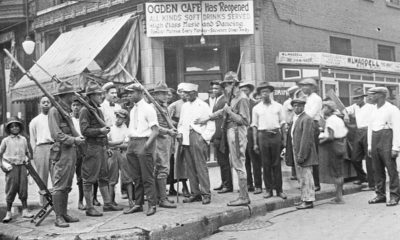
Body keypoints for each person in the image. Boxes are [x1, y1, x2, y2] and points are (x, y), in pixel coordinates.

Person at [198, 72, 251, 206]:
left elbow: (245, 120)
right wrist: (207, 118)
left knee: (239, 164)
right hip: (230, 131)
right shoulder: (232, 98)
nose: (224, 88)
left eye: (226, 85)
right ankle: (243, 195)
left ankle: (244, 196)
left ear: (233, 84)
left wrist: (230, 112)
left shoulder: (242, 98)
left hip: (237, 132)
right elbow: (222, 111)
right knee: (236, 163)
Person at [80, 81, 123, 217]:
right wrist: (100, 130)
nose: (100, 96)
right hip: (91, 147)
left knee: (104, 176)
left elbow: (104, 131)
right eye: (98, 94)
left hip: (101, 147)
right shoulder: (85, 110)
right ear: (91, 96)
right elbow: (84, 130)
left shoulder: (97, 110)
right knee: (89, 178)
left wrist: (106, 146)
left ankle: (108, 203)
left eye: (101, 94)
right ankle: (89, 207)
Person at [48, 81, 84, 227]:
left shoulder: (65, 110)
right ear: (65, 95)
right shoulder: (54, 111)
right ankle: (58, 217)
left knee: (67, 184)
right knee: (59, 185)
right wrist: (74, 139)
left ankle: (64, 213)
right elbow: (56, 134)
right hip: (62, 151)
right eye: (71, 94)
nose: (73, 96)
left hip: (71, 151)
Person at [123, 83, 159, 216]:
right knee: (136, 177)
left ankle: (152, 204)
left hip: (143, 143)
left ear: (140, 93)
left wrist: (146, 147)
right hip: (132, 144)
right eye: (128, 93)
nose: (129, 95)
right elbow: (132, 129)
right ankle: (138, 204)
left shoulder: (149, 109)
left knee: (147, 176)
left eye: (132, 92)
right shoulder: (133, 110)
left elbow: (155, 131)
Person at [178, 83, 215, 205]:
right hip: (186, 138)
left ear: (195, 93)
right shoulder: (185, 106)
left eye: (189, 93)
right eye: (185, 93)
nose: (187, 96)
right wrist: (180, 133)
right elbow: (181, 122)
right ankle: (195, 193)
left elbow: (211, 123)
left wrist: (204, 138)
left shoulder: (203, 105)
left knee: (201, 166)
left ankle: (205, 193)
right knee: (190, 167)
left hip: (197, 136)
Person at [252, 82, 287, 200]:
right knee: (265, 164)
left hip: (276, 135)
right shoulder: (256, 108)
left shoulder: (278, 106)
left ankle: (279, 190)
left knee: (277, 163)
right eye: (262, 92)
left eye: (267, 91)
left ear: (270, 93)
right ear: (260, 94)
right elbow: (254, 126)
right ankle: (268, 190)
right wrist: (255, 143)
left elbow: (283, 123)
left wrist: (284, 140)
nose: (265, 94)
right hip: (263, 136)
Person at [367, 87, 400, 206]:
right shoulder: (373, 110)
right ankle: (380, 194)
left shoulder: (392, 109)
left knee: (391, 169)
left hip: (387, 138)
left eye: (372, 94)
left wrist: (396, 147)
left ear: (381, 95)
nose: (370, 97)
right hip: (375, 138)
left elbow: (397, 128)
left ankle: (395, 195)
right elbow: (370, 128)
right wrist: (370, 145)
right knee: (377, 169)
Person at [0, 117, 33, 223]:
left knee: (23, 188)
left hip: (22, 166)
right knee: (11, 188)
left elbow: (28, 153)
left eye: (16, 126)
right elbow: (0, 154)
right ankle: (8, 212)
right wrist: (2, 165)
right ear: (9, 129)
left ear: (20, 127)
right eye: (12, 126)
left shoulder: (23, 139)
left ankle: (25, 210)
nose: (14, 128)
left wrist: (28, 160)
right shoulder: (6, 140)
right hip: (11, 167)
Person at [150, 83, 177, 208]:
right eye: (162, 93)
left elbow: (166, 121)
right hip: (159, 140)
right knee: (161, 168)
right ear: (155, 95)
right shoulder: (153, 108)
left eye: (166, 93)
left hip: (166, 140)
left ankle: (160, 197)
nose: (166, 96)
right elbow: (155, 127)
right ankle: (162, 199)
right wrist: (168, 131)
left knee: (164, 168)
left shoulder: (163, 107)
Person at [345, 87, 375, 190]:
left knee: (369, 158)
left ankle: (372, 184)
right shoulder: (355, 107)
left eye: (358, 98)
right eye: (355, 98)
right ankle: (363, 177)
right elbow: (344, 110)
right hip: (358, 131)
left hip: (368, 131)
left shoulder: (371, 107)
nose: (356, 100)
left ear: (363, 98)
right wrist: (345, 115)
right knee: (355, 158)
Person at [100, 82, 126, 200]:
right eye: (112, 93)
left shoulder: (118, 107)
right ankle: (110, 198)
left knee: (124, 168)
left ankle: (125, 191)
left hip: (119, 140)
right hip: (108, 141)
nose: (115, 95)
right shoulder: (101, 108)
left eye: (116, 93)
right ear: (105, 94)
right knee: (110, 171)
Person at [290, 95, 317, 209]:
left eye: (300, 106)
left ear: (303, 107)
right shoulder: (297, 118)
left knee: (307, 178)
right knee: (301, 178)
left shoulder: (306, 119)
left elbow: (306, 139)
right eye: (295, 106)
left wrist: (302, 155)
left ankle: (308, 200)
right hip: (297, 152)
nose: (297, 108)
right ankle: (304, 198)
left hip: (304, 153)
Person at [319, 101, 348, 204]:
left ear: (328, 109)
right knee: (339, 172)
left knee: (336, 173)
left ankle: (339, 198)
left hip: (334, 147)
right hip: (341, 145)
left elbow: (330, 137)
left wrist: (321, 142)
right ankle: (339, 196)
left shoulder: (330, 120)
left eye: (324, 107)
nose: (323, 109)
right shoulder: (338, 119)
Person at [29, 96, 54, 207]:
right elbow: (32, 139)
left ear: (51, 104)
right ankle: (43, 203)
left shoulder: (55, 118)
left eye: (48, 102)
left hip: (54, 148)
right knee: (42, 178)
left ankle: (58, 202)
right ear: (39, 104)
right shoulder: (35, 121)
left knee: (56, 176)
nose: (46, 104)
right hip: (41, 148)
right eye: (43, 102)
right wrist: (35, 152)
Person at [298, 78, 322, 192]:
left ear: (312, 87)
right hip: (304, 125)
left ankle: (316, 183)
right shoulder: (306, 98)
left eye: (305, 86)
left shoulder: (316, 99)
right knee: (304, 153)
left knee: (312, 154)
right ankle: (307, 181)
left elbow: (310, 115)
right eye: (302, 86)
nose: (303, 88)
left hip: (312, 126)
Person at [209, 80, 233, 194]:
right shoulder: (216, 100)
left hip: (221, 134)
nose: (214, 90)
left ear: (222, 90)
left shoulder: (224, 100)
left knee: (224, 161)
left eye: (216, 88)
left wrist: (218, 134)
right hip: (217, 135)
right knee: (221, 161)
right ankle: (224, 183)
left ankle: (228, 185)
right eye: (213, 88)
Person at [168, 83, 190, 197]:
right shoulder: (174, 105)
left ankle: (189, 186)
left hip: (188, 134)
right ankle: (175, 186)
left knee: (186, 161)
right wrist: (176, 124)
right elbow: (167, 120)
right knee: (176, 161)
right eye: (180, 91)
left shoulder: (192, 104)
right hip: (176, 137)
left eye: (184, 91)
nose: (182, 94)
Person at [239, 81, 259, 193]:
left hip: (251, 133)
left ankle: (257, 184)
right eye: (241, 90)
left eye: (245, 90)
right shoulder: (237, 103)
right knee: (244, 161)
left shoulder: (255, 104)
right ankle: (248, 183)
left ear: (250, 91)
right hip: (241, 134)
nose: (243, 92)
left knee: (254, 160)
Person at [107, 109, 130, 207]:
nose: (118, 119)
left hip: (123, 153)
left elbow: (127, 144)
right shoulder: (110, 128)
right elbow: (107, 143)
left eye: (121, 118)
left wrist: (115, 144)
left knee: (127, 177)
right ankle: (111, 201)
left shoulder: (126, 129)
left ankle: (131, 201)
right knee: (112, 178)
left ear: (124, 120)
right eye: (117, 116)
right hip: (112, 154)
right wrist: (120, 142)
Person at [70, 99, 86, 210]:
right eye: (74, 105)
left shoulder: (83, 118)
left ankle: (81, 201)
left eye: (78, 105)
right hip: (71, 148)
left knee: (81, 176)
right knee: (67, 175)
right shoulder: (68, 119)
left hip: (82, 148)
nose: (76, 107)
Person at [282, 85, 299, 181]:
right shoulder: (287, 103)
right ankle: (294, 172)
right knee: (291, 149)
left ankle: (297, 172)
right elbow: (285, 117)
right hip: (290, 125)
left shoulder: (301, 102)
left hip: (297, 124)